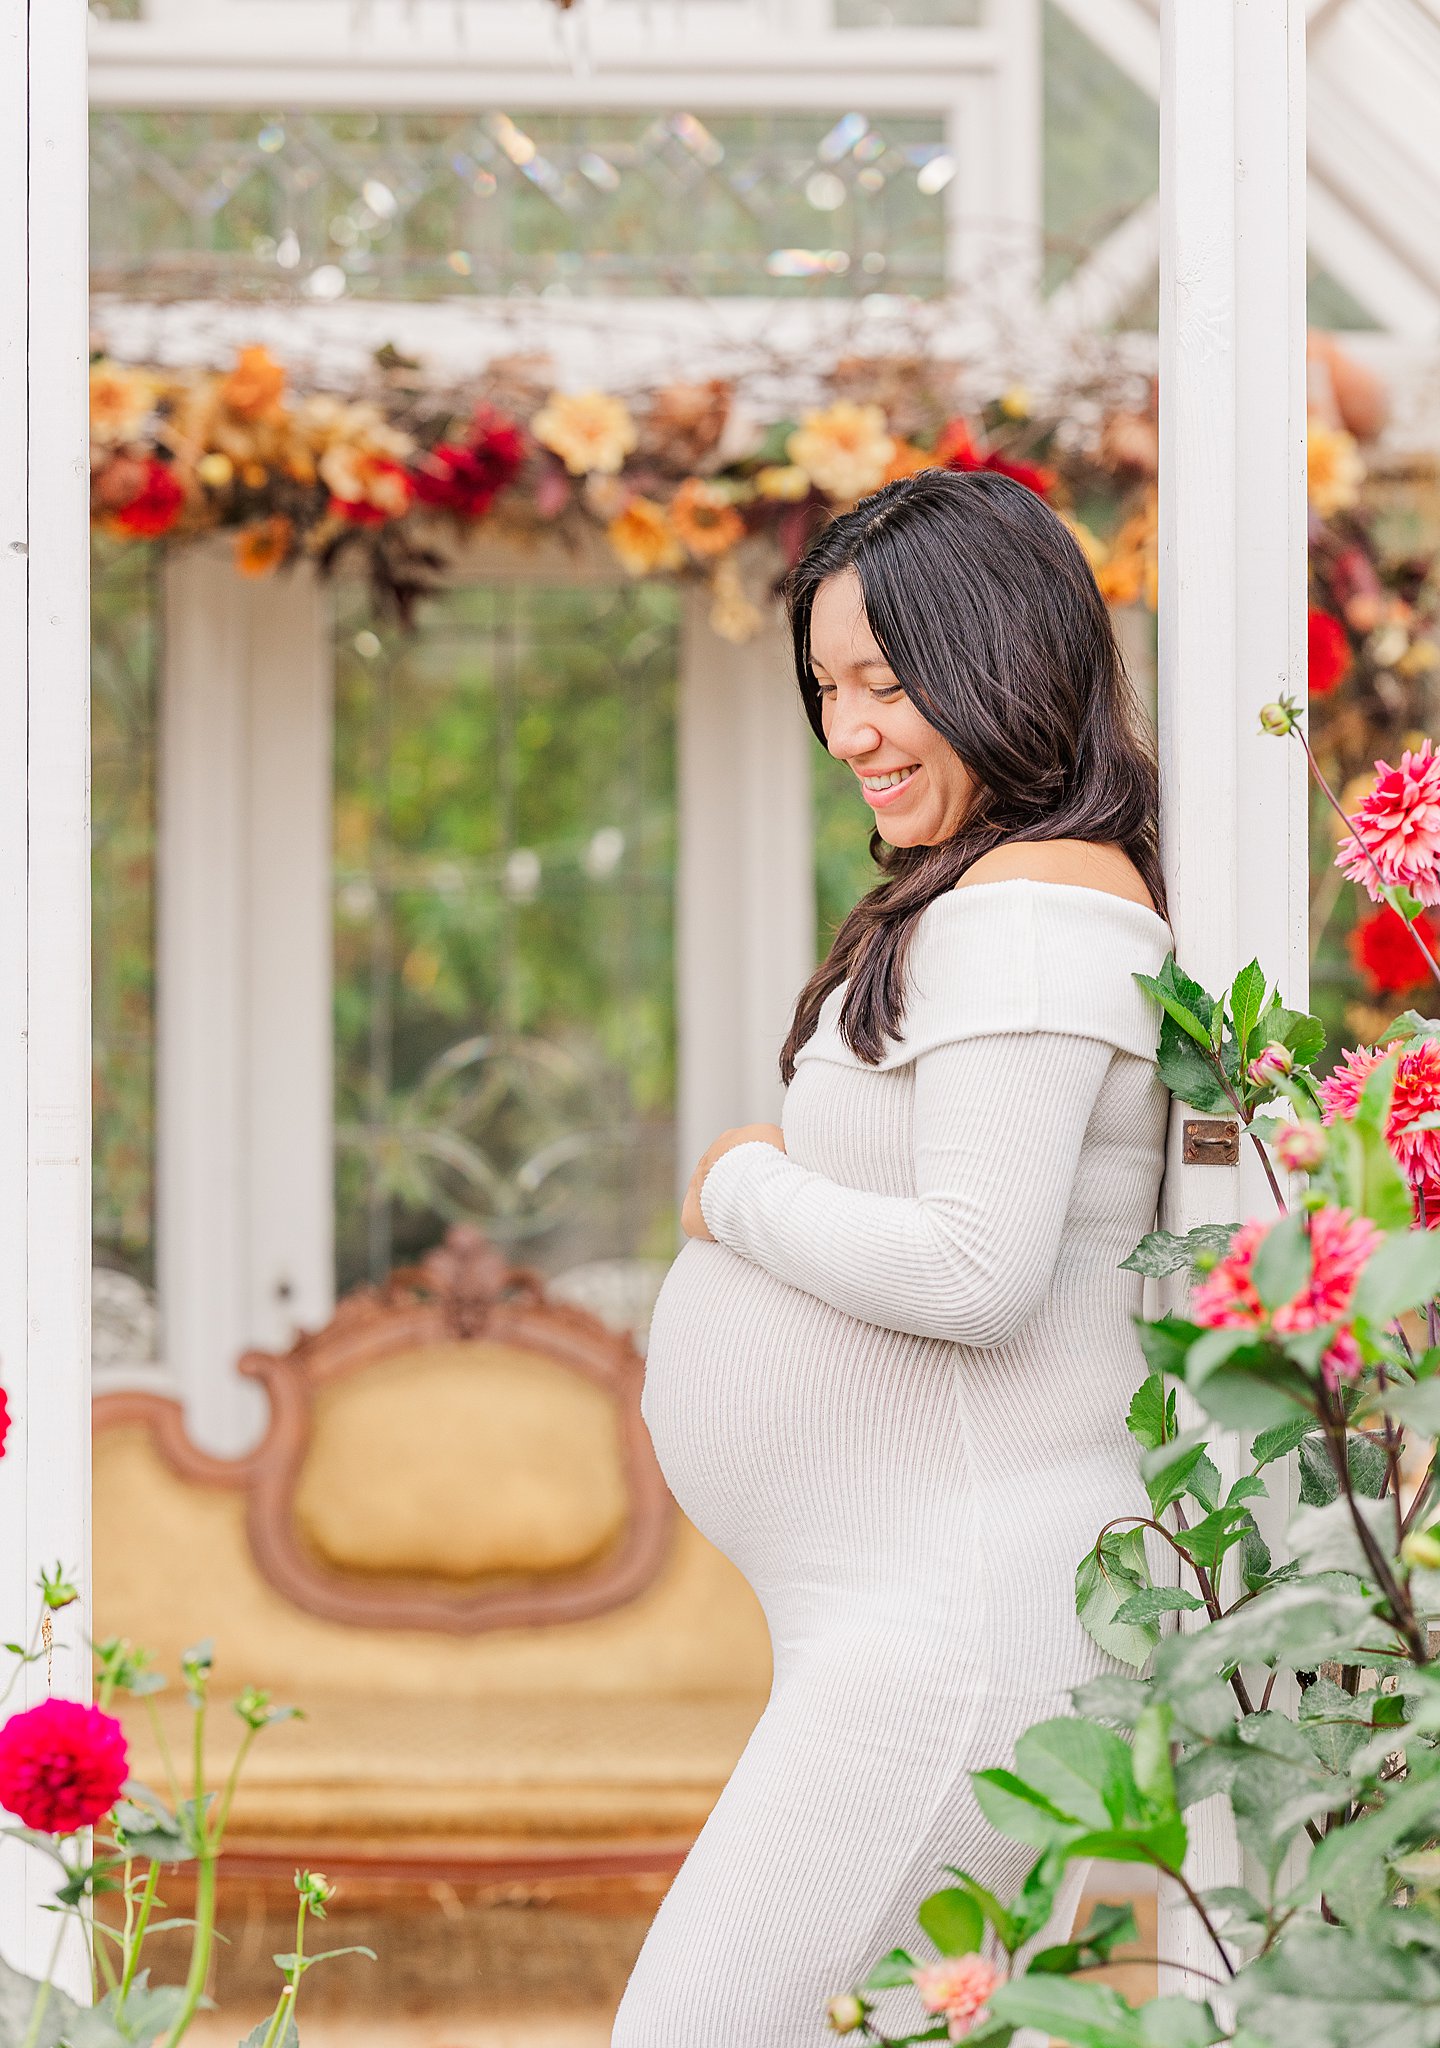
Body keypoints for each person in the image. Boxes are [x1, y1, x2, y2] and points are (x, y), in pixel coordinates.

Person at [611, 467, 1174, 2046]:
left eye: (884, 681)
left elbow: (975, 1273)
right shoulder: (1003, 903)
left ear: (1006, 661)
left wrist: (737, 1191)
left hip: (959, 1624)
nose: (848, 730)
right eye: (824, 690)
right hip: (918, 1606)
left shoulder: (1036, 912)